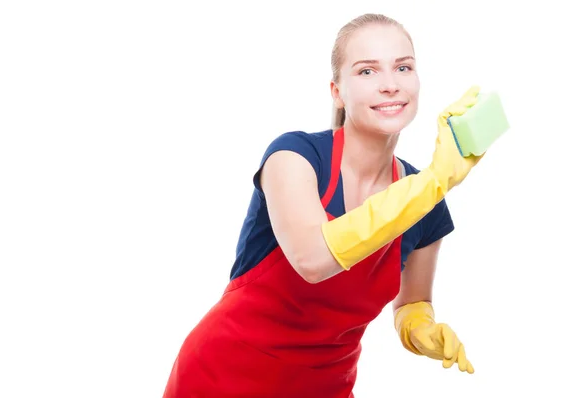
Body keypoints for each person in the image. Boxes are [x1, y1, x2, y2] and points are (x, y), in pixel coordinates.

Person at [162, 13, 485, 398]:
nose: (389, 85)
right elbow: (313, 259)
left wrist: (420, 328)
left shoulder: (426, 199)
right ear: (337, 91)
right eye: (367, 72)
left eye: (403, 67)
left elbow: (413, 300)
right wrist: (433, 181)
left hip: (326, 387)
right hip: (225, 377)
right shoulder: (295, 157)